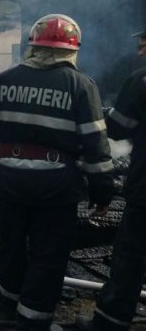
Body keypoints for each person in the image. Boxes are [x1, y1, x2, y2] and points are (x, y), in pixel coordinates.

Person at [0, 14, 114, 331]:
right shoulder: (81, 85)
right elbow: (95, 145)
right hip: (56, 187)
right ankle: (33, 319)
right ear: (72, 50)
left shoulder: (4, 79)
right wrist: (102, 190)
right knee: (48, 254)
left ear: (33, 46)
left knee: (10, 244)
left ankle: (7, 299)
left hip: (7, 180)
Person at [77, 29, 146, 331]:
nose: (140, 51)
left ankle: (109, 323)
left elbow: (119, 127)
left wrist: (98, 113)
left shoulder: (141, 80)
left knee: (131, 256)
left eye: (144, 44)